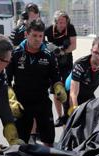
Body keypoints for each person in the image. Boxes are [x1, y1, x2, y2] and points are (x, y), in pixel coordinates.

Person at [6, 19, 66, 147]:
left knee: (49, 141)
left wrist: (59, 88)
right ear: (26, 35)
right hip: (21, 104)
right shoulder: (15, 54)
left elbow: (55, 77)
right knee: (19, 144)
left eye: (40, 36)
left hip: (42, 102)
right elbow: (6, 81)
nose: (38, 39)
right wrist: (11, 99)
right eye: (34, 35)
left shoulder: (49, 55)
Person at [45, 10, 77, 127]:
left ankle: (68, 116)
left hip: (67, 62)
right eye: (60, 22)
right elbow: (42, 43)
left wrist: (63, 51)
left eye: (64, 22)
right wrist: (52, 49)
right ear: (56, 22)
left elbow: (74, 45)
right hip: (53, 63)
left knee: (67, 88)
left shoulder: (70, 28)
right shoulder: (49, 30)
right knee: (56, 90)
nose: (62, 24)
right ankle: (59, 117)